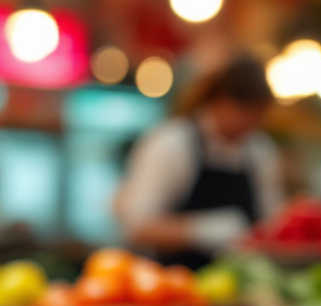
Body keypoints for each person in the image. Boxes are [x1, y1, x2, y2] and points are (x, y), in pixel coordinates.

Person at [115, 57, 284, 268]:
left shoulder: (260, 151)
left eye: (259, 115)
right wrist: (200, 230)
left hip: (243, 287)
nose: (252, 123)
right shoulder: (172, 143)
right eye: (245, 112)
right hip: (174, 285)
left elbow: (271, 224)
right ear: (219, 100)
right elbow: (137, 227)